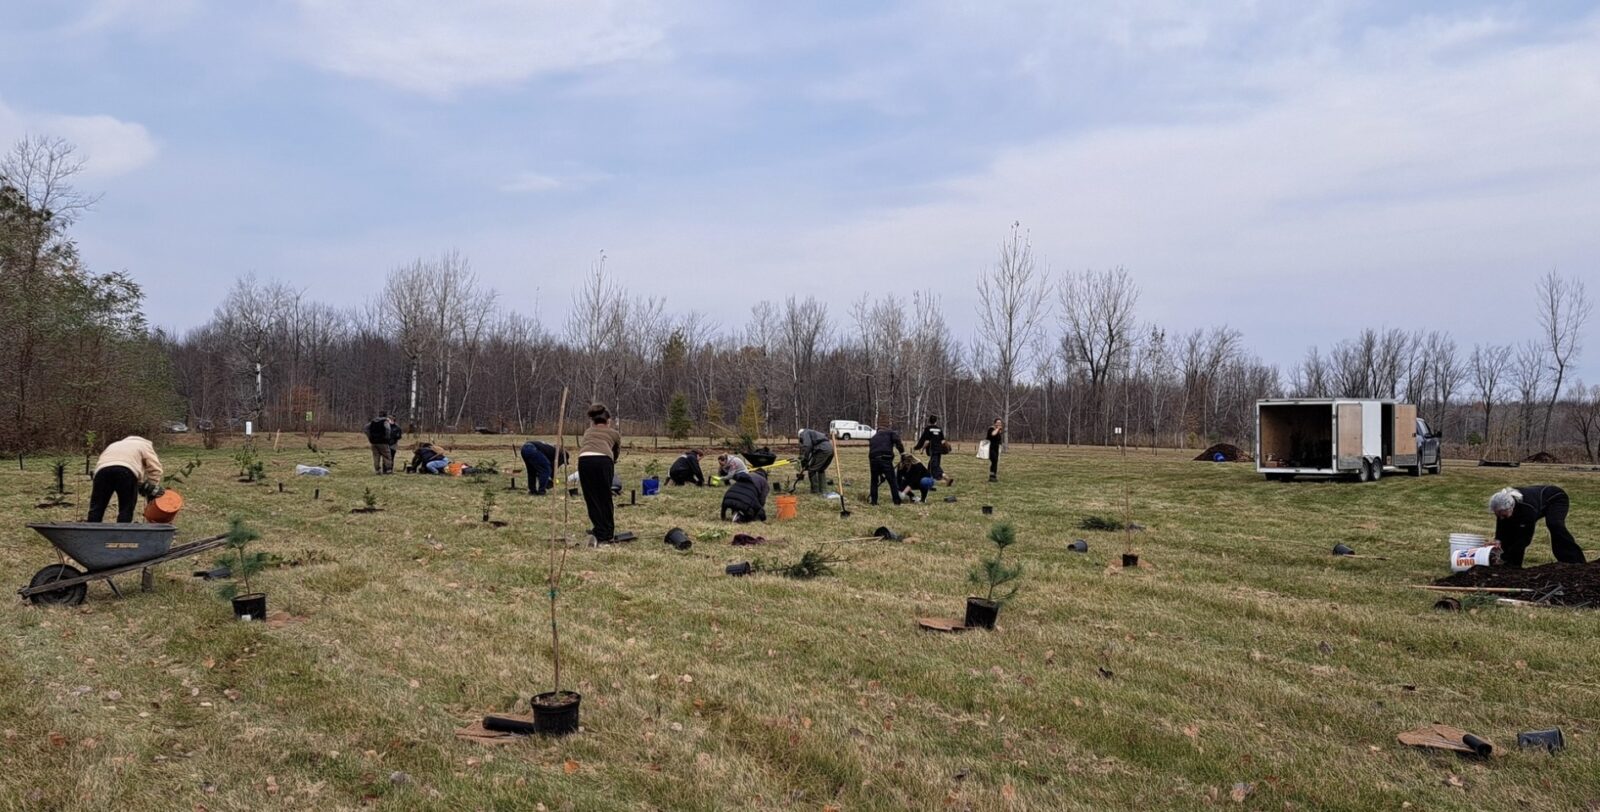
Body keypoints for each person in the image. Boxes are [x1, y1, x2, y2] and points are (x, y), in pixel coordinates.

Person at [1489, 486, 1585, 567]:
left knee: (1555, 525)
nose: (1501, 517)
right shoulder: (1501, 504)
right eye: (1498, 515)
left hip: (1556, 498)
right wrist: (1498, 540)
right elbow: (1502, 525)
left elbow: (1525, 538)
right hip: (1537, 502)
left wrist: (1507, 555)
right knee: (1511, 527)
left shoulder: (1527, 509)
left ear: (1511, 507)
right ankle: (1512, 565)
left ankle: (1574, 560)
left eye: (1503, 514)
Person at [87, 435, 164, 523]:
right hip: (126, 471)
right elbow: (155, 469)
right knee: (126, 508)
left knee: (97, 507)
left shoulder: (114, 444)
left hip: (102, 471)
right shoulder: (145, 445)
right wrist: (151, 486)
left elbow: (103, 460)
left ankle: (91, 532)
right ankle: (123, 534)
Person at [577, 404, 622, 543]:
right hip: (603, 460)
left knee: (591, 497)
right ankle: (607, 532)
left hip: (584, 460)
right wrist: (612, 462)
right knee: (605, 497)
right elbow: (615, 452)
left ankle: (598, 528)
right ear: (608, 421)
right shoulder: (614, 433)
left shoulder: (588, 432)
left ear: (593, 421)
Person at [868, 422, 905, 505]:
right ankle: (897, 501)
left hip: (873, 459)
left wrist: (881, 475)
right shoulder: (890, 433)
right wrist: (902, 454)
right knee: (892, 481)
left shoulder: (873, 438)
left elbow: (873, 452)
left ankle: (873, 501)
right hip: (885, 458)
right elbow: (898, 442)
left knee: (874, 481)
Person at [914, 415, 953, 487]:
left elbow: (927, 441)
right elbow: (943, 441)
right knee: (931, 466)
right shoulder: (939, 429)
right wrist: (948, 449)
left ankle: (946, 478)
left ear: (929, 421)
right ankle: (929, 481)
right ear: (936, 421)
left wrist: (922, 449)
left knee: (935, 466)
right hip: (939, 450)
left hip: (933, 450)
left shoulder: (928, 429)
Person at [797, 428, 834, 494]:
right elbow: (813, 449)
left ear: (800, 435)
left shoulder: (805, 433)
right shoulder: (813, 433)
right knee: (821, 469)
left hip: (822, 450)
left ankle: (815, 491)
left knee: (812, 470)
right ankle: (823, 490)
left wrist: (805, 459)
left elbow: (807, 446)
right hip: (830, 449)